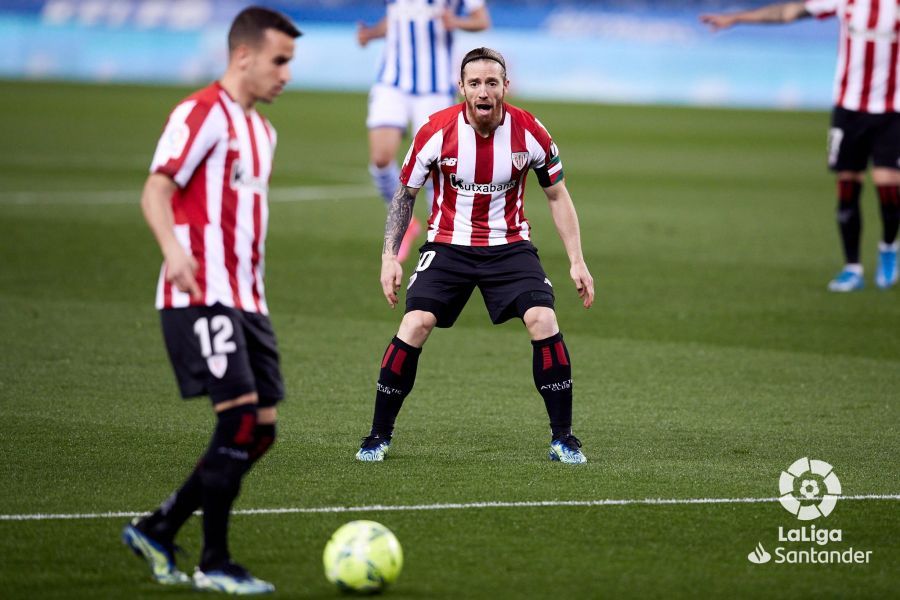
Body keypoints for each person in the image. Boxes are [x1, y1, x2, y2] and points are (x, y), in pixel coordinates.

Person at [121, 6, 300, 595]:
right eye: (279, 61)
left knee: (263, 429)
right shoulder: (200, 114)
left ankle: (159, 527)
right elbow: (157, 188)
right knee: (240, 419)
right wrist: (173, 249)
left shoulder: (263, 132)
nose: (286, 74)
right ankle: (215, 561)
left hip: (248, 299)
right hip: (199, 294)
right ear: (242, 56)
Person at [355, 47, 595, 464]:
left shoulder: (531, 133)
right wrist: (388, 256)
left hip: (510, 247)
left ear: (505, 86)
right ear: (461, 87)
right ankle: (378, 436)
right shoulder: (435, 130)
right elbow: (405, 194)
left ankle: (563, 438)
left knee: (543, 318)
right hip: (448, 245)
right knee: (415, 323)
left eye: (491, 82)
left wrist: (577, 259)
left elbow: (557, 194)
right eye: (474, 83)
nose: (483, 91)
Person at [700, 1, 900, 291]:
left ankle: (888, 247)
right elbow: (789, 12)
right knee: (847, 185)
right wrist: (737, 18)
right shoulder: (845, 2)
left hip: (892, 112)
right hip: (848, 110)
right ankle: (852, 268)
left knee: (888, 185)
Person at [357, 0, 491, 262]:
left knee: (433, 167)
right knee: (381, 158)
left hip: (435, 87)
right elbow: (396, 19)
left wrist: (456, 22)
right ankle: (401, 221)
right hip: (391, 82)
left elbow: (482, 20)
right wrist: (372, 33)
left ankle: (440, 236)